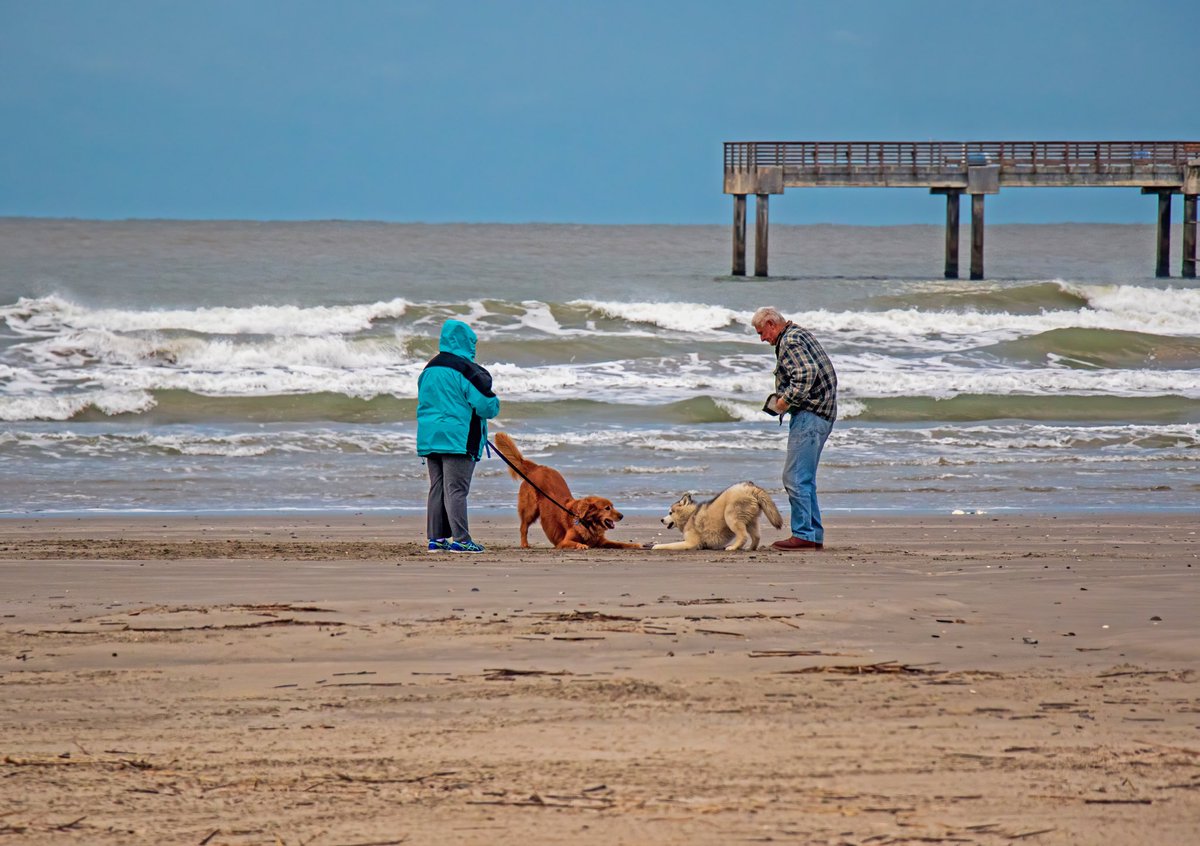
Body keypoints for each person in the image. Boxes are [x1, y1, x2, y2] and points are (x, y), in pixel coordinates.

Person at [750, 307, 838, 551]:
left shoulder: (789, 341)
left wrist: (784, 402)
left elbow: (806, 374)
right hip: (822, 413)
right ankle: (811, 534)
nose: (762, 338)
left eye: (761, 332)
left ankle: (805, 534)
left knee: (795, 478)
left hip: (811, 414)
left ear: (771, 323)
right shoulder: (797, 334)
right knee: (804, 479)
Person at [416, 319, 500, 553]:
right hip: (459, 438)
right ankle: (461, 540)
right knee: (456, 490)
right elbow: (486, 406)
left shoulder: (429, 368)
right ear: (467, 342)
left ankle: (436, 540)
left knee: (438, 487)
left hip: (430, 435)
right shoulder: (468, 370)